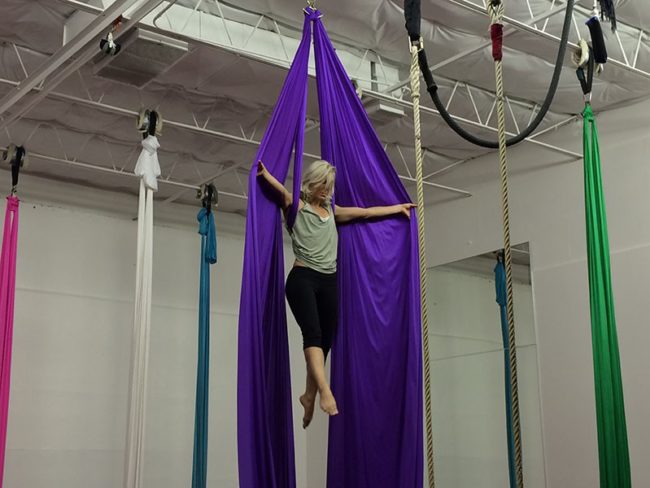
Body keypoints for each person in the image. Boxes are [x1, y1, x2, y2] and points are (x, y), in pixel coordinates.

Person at [257, 159, 414, 428]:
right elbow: (280, 191)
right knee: (313, 335)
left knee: (325, 342)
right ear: (314, 184)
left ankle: (308, 395)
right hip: (302, 279)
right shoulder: (297, 208)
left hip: (329, 281)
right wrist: (264, 173)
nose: (329, 191)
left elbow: (365, 213)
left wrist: (396, 208)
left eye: (331, 187)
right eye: (325, 186)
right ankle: (324, 392)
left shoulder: (332, 210)